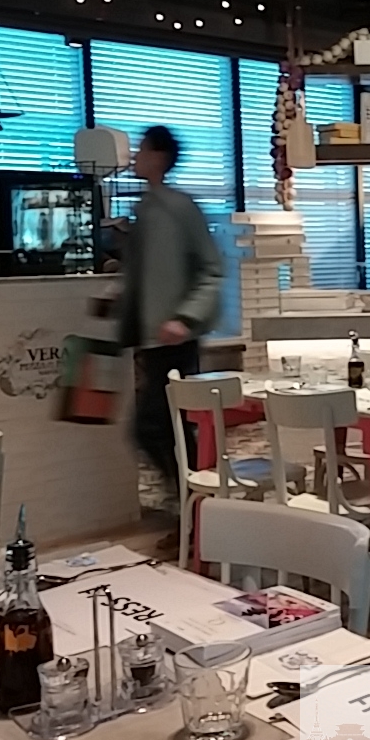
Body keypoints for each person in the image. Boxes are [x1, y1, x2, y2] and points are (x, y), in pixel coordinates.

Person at [117, 126, 223, 501]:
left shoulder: (179, 207)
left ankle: (193, 503)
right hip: (151, 338)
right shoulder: (146, 208)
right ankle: (192, 504)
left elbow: (212, 269)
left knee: (155, 427)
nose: (135, 156)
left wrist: (185, 318)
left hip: (174, 338)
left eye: (142, 150)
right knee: (167, 427)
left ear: (159, 158)